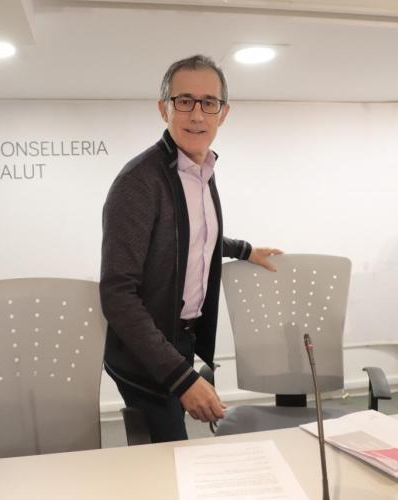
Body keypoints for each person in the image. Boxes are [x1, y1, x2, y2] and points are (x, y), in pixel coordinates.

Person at [100, 54, 281, 443]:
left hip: (180, 338)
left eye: (208, 102)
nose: (197, 114)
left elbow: (192, 235)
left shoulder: (202, 170)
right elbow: (117, 295)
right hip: (143, 352)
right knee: (170, 459)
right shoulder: (138, 182)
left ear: (223, 113)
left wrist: (244, 250)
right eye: (185, 101)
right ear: (164, 108)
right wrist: (182, 379)